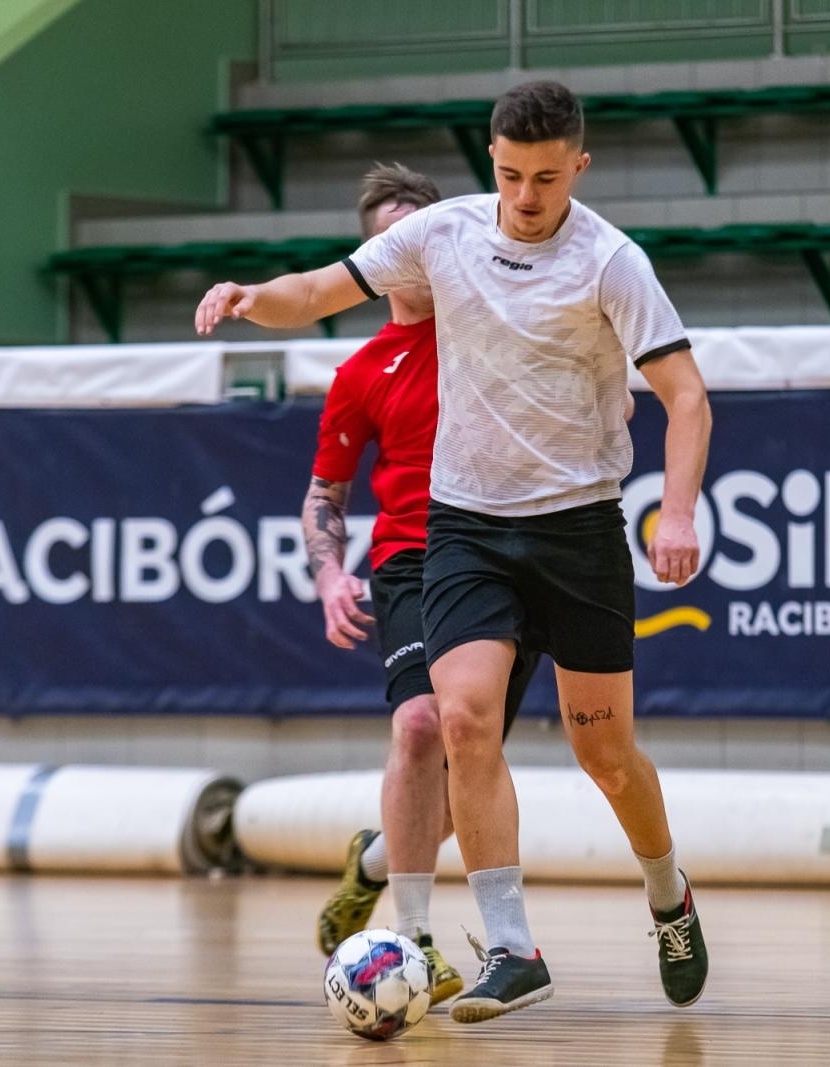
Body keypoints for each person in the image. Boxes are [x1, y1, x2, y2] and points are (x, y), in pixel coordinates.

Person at [196, 79, 712, 1025]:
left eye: (547, 179)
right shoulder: (443, 235)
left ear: (579, 168)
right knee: (461, 720)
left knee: (608, 755)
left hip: (578, 527)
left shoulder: (613, 262)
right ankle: (512, 948)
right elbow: (318, 290)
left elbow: (686, 397)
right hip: (465, 525)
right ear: (490, 163)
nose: (526, 196)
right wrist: (247, 297)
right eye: (511, 175)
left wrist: (675, 513)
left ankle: (669, 893)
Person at [302, 162, 537, 1004]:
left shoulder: (497, 328)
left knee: (462, 774)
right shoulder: (362, 370)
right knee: (418, 724)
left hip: (502, 553)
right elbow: (325, 495)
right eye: (384, 241)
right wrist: (331, 575)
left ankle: (373, 858)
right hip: (409, 557)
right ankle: (411, 937)